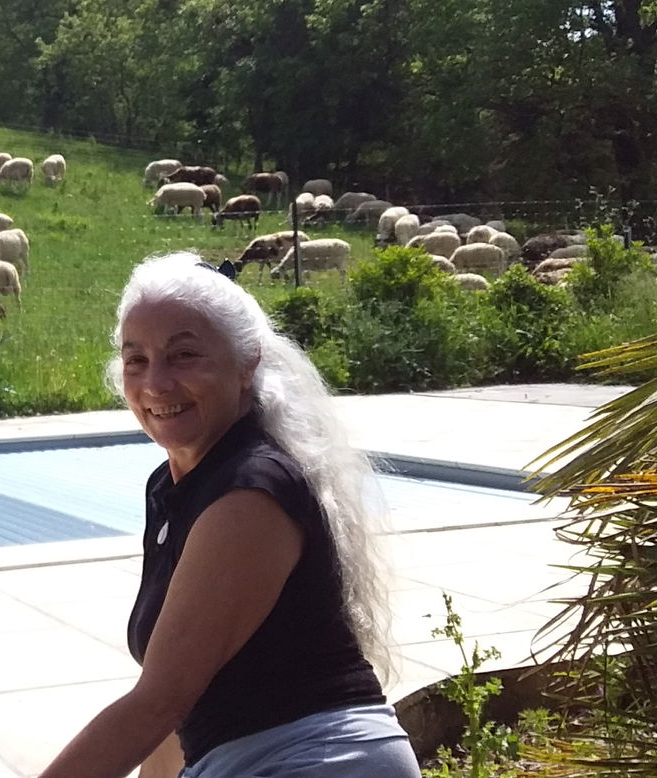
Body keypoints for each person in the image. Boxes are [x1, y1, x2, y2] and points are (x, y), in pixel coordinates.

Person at [39, 254, 420, 778]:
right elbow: (179, 710)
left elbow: (158, 704)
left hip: (320, 763)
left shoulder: (249, 495)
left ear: (246, 365)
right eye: (137, 360)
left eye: (184, 354)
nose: (157, 383)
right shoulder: (175, 485)